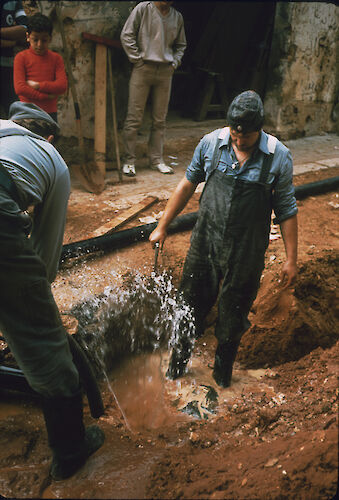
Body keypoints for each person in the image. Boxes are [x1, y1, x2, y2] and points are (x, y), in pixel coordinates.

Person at [149, 90, 298, 387]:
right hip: (205, 242)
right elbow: (187, 183)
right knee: (188, 306)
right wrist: (163, 225)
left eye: (246, 137)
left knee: (233, 315)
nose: (239, 141)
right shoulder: (211, 144)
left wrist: (292, 259)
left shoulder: (278, 156)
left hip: (246, 252)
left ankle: (221, 377)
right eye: (234, 134)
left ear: (260, 129)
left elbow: (287, 209)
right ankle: (176, 368)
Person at [0, 102, 105, 480]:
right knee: (46, 346)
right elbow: (45, 258)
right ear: (47, 137)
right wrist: (33, 304)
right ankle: (70, 450)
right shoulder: (53, 159)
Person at [120, 1, 186, 177]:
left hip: (165, 71)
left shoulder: (177, 16)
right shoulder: (143, 9)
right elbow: (127, 35)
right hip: (143, 68)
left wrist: (174, 63)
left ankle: (156, 160)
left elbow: (181, 45)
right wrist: (137, 59)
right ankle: (129, 161)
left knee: (159, 120)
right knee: (134, 117)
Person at [13, 12, 67, 121]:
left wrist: (38, 86)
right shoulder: (21, 58)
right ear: (28, 37)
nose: (39, 44)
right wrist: (45, 96)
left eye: (44, 40)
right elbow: (20, 88)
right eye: (35, 39)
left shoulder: (56, 59)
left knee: (49, 138)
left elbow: (62, 86)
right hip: (26, 112)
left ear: (50, 38)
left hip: (49, 113)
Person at [0, 0, 28, 117]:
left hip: (8, 68)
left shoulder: (14, 2)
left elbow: (25, 29)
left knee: (12, 113)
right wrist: (12, 40)